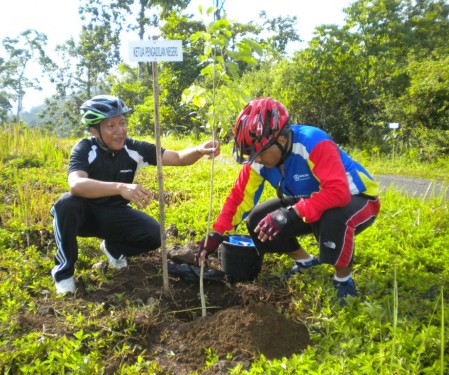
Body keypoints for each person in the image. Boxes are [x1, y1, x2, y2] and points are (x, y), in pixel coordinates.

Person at [196, 97, 380, 305]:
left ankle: (343, 280)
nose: (255, 159)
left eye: (259, 153)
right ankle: (305, 261)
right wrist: (217, 233)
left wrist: (289, 213)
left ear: (281, 141)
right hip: (312, 200)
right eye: (251, 154)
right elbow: (239, 198)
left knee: (333, 217)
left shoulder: (314, 142)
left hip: (357, 199)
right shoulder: (258, 160)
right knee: (258, 219)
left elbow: (338, 193)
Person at [51, 95, 220, 295]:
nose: (119, 131)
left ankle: (114, 249)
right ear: (94, 131)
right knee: (66, 203)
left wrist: (200, 150)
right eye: (110, 126)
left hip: (115, 214)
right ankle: (63, 274)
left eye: (122, 123)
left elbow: (178, 157)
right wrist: (120, 187)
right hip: (85, 215)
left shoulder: (134, 149)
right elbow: (77, 185)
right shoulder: (85, 148)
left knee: (155, 233)